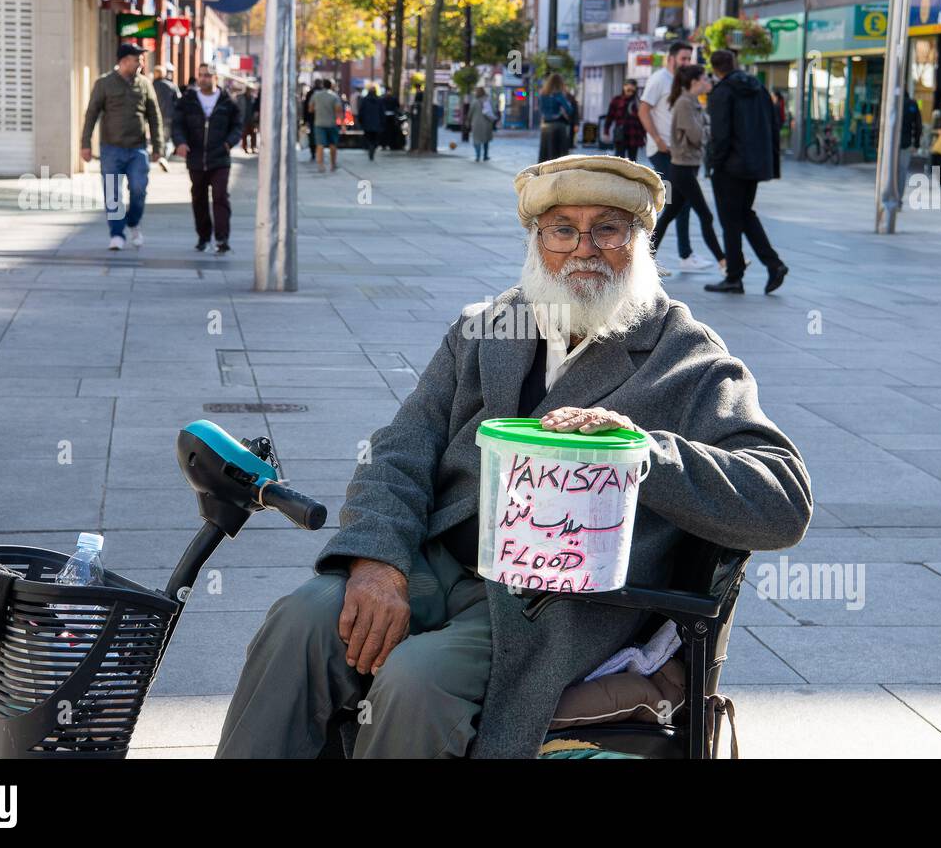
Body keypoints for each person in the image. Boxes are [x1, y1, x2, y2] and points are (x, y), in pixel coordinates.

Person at [214, 153, 812, 759]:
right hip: (437, 558)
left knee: (418, 680)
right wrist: (376, 560)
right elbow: (400, 448)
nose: (584, 248)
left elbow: (784, 500)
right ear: (536, 240)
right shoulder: (487, 327)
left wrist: (642, 452)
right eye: (562, 230)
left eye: (608, 228)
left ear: (641, 239)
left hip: (554, 605)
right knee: (300, 622)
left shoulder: (686, 358)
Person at [703, 49, 789, 295]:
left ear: (715, 68)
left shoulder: (722, 92)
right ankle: (773, 264)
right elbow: (774, 124)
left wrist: (714, 163)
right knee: (745, 215)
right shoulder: (759, 88)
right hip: (755, 164)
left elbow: (721, 134)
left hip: (730, 166)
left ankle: (734, 276)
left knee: (730, 221)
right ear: (734, 63)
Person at [80, 43, 164, 251]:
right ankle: (117, 234)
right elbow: (91, 114)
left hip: (137, 149)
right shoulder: (104, 83)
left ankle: (133, 222)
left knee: (138, 189)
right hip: (111, 149)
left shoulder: (145, 84)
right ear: (125, 61)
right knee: (113, 195)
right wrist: (85, 144)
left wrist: (158, 146)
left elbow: (154, 116)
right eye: (138, 59)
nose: (142, 63)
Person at [641, 40, 711, 272]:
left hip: (680, 153)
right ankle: (659, 257)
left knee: (678, 203)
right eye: (682, 58)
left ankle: (673, 256)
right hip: (663, 152)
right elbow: (643, 110)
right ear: (670, 58)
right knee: (676, 203)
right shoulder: (659, 79)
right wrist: (658, 140)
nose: (686, 63)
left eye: (689, 59)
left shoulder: (681, 82)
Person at [656, 64, 725, 271]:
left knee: (668, 215)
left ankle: (641, 260)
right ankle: (725, 262)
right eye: (705, 78)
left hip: (688, 166)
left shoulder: (693, 102)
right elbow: (698, 136)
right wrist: (707, 131)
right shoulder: (685, 103)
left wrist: (705, 130)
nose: (708, 82)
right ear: (695, 82)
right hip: (683, 167)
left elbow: (703, 130)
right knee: (706, 215)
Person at [172, 62, 243, 254]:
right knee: (199, 197)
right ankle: (203, 236)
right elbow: (177, 124)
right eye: (201, 75)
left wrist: (229, 142)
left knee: (220, 196)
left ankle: (222, 238)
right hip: (195, 156)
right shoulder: (188, 100)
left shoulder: (228, 101)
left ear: (216, 78)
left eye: (208, 75)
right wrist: (180, 142)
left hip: (220, 157)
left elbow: (238, 125)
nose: (204, 79)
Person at [602, 79, 646, 162]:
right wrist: (606, 132)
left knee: (632, 161)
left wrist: (644, 135)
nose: (630, 92)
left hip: (634, 135)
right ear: (624, 87)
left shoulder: (638, 102)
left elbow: (643, 120)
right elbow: (609, 117)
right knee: (619, 160)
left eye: (632, 90)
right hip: (620, 134)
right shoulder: (616, 100)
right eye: (628, 90)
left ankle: (630, 175)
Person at [537, 73, 575, 162]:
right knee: (558, 156)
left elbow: (541, 110)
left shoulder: (542, 95)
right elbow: (569, 110)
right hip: (558, 126)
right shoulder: (559, 95)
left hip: (545, 126)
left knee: (545, 153)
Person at [309, 79, 343, 171]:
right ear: (331, 86)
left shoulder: (316, 95)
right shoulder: (334, 96)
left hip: (319, 123)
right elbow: (338, 110)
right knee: (333, 144)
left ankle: (321, 165)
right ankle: (333, 164)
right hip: (332, 123)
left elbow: (310, 109)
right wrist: (342, 124)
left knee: (320, 145)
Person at [899, 91, 923, 204]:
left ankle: (889, 197)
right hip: (906, 143)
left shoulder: (891, 101)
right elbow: (918, 126)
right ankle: (898, 199)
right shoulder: (912, 104)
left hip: (891, 144)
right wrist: (917, 144)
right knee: (902, 171)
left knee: (890, 170)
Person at [151, 64, 180, 159]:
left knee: (156, 136)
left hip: (154, 116)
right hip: (169, 115)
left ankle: (159, 154)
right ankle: (163, 157)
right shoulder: (171, 86)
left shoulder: (150, 86)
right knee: (166, 138)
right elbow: (179, 101)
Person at [468, 87, 497, 161]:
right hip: (487, 123)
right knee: (486, 140)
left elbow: (470, 113)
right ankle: (485, 155)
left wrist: (468, 120)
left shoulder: (475, 101)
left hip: (476, 124)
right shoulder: (488, 100)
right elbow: (493, 110)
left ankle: (477, 156)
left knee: (476, 140)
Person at [358, 85, 385, 161]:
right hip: (377, 123)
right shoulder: (379, 100)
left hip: (367, 123)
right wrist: (382, 122)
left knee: (369, 138)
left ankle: (370, 147)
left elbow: (361, 112)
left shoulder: (364, 100)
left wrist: (361, 121)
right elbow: (382, 112)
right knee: (375, 139)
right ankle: (372, 148)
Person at [241, 87, 260, 155]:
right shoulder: (241, 98)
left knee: (253, 134)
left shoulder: (253, 98)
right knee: (244, 135)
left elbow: (256, 108)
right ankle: (245, 147)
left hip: (252, 120)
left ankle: (253, 147)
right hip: (244, 119)